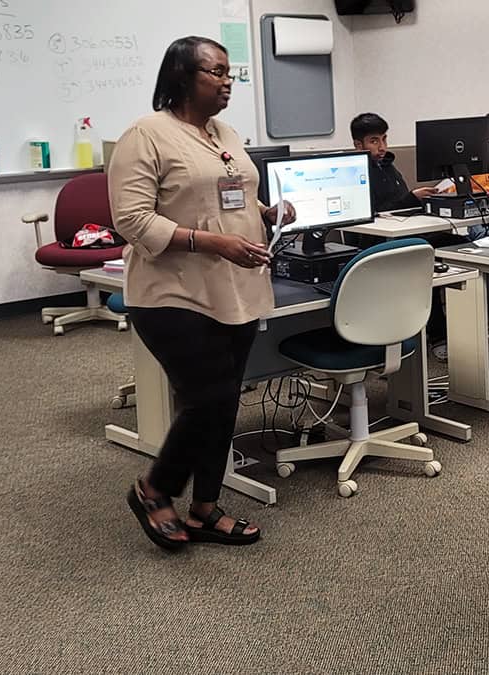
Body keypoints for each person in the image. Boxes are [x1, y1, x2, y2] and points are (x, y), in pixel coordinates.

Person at [110, 36, 295, 550]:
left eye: (229, 72)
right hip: (171, 292)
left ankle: (205, 509)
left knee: (225, 400)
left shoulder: (224, 132)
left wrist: (267, 215)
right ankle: (155, 489)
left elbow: (230, 196)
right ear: (182, 77)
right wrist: (211, 241)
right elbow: (130, 219)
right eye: (216, 72)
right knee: (207, 396)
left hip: (233, 288)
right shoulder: (146, 135)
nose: (227, 80)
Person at [350, 112, 436, 212]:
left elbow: (400, 201)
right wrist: (413, 198)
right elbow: (377, 212)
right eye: (374, 141)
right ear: (358, 145)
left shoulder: (386, 164)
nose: (382, 147)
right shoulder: (357, 175)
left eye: (384, 139)